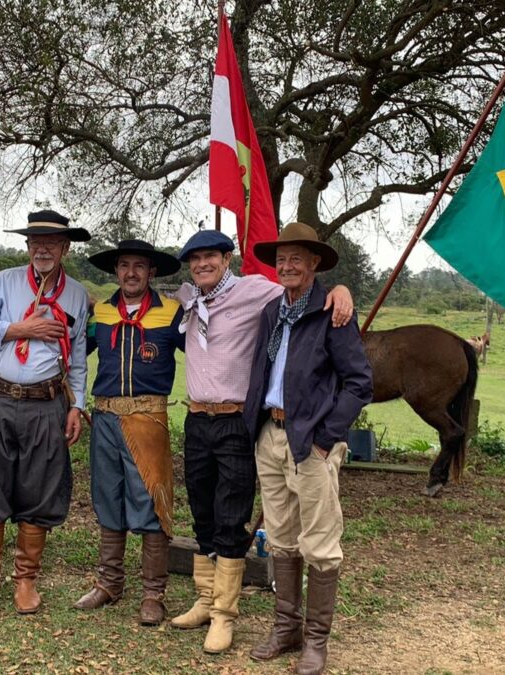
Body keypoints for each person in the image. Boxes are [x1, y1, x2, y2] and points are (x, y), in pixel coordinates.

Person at [170, 230, 353, 654]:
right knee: (202, 513)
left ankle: (224, 614)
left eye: (210, 257)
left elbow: (308, 294)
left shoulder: (259, 293)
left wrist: (341, 289)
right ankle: (205, 599)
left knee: (232, 515)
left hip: (238, 419)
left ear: (227, 258)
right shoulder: (190, 300)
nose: (202, 265)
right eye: (195, 260)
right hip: (200, 417)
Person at [242, 223, 372, 675]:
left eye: (297, 258)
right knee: (279, 537)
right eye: (281, 259)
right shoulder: (272, 312)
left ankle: (316, 640)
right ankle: (286, 627)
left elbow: (359, 383)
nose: (287, 266)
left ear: (314, 264)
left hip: (310, 443)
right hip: (271, 435)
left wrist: (326, 437)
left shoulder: (332, 312)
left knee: (319, 542)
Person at [0, 209, 90, 619]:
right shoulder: (3, 282)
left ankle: (26, 579)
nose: (43, 249)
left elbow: (80, 356)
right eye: (35, 241)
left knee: (40, 487)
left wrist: (77, 406)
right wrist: (20, 329)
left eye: (51, 242)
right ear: (27, 246)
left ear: (65, 247)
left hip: (47, 403)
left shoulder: (78, 295)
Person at [75, 240, 184, 626]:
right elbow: (74, 351)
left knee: (151, 499)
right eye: (125, 265)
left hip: (148, 419)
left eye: (140, 266)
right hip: (104, 418)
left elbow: (208, 348)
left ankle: (154, 592)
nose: (132, 273)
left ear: (151, 272)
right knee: (107, 496)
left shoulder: (172, 312)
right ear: (116, 271)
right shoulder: (101, 312)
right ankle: (109, 582)